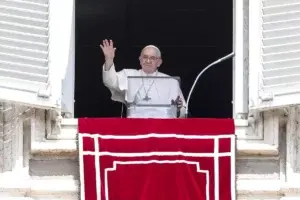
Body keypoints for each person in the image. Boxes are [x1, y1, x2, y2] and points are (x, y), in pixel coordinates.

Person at [101, 39, 186, 118]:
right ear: (140, 60)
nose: (148, 61)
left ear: (159, 62)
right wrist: (109, 59)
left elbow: (183, 112)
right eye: (145, 57)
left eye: (152, 58)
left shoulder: (171, 82)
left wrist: (178, 109)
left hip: (162, 127)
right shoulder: (129, 75)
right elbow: (110, 81)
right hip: (136, 125)